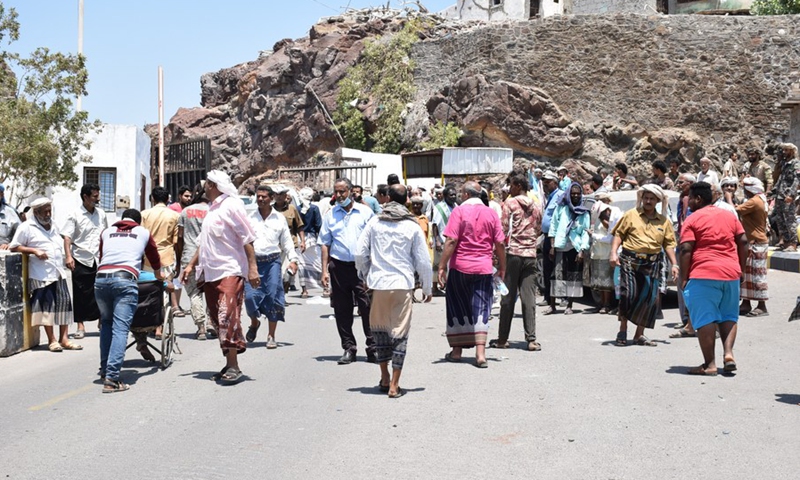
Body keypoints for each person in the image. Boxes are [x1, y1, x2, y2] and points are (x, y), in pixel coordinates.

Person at [181, 170, 259, 385]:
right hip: (210, 273)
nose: (203, 187)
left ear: (213, 186)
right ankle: (228, 361)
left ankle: (234, 365)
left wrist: (252, 268)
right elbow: (202, 243)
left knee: (227, 316)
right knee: (217, 319)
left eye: (206, 184)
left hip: (229, 270)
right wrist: (189, 266)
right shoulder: (212, 210)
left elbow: (248, 237)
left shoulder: (232, 205)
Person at [355, 184, 432, 398]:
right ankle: (394, 385)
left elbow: (360, 253)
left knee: (380, 330)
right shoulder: (412, 226)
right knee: (400, 333)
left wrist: (364, 275)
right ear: (407, 199)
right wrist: (427, 287)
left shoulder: (375, 222)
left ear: (387, 199)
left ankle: (384, 376)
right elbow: (423, 261)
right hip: (402, 284)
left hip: (379, 284)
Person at [680, 182, 747, 375]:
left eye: (690, 198)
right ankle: (728, 353)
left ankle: (709, 365)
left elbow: (686, 249)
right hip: (731, 274)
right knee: (729, 315)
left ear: (698, 199)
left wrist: (684, 278)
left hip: (703, 273)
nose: (689, 202)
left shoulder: (692, 219)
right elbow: (743, 242)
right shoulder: (729, 215)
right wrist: (740, 270)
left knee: (705, 318)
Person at [438, 181, 506, 368]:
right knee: (482, 309)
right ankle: (481, 354)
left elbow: (451, 240)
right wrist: (502, 267)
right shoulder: (491, 213)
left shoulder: (458, 212)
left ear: (466, 195)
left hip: (460, 267)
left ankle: (457, 351)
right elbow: (500, 243)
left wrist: (442, 266)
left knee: (457, 307)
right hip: (483, 268)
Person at [95, 208, 163, 392]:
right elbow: (154, 258)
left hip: (101, 279)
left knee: (107, 324)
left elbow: (103, 257)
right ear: (138, 222)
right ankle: (112, 379)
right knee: (120, 329)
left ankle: (104, 370)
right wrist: (159, 274)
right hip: (124, 280)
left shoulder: (107, 232)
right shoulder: (143, 232)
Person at [610, 185, 678, 346]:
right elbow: (619, 234)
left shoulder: (664, 221)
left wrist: (675, 264)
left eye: (652, 198)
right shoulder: (631, 215)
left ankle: (639, 334)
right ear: (642, 198)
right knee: (628, 295)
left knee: (649, 298)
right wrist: (613, 253)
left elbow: (668, 244)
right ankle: (623, 329)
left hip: (653, 262)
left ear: (657, 201)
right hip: (629, 260)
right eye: (646, 197)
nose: (648, 201)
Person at [10, 198, 81, 353]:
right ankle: (52, 340)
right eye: (45, 211)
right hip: (41, 273)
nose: (49, 214)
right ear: (37, 212)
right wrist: (34, 251)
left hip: (58, 270)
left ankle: (64, 339)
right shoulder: (27, 227)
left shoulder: (53, 224)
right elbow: (14, 246)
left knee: (64, 304)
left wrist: (68, 256)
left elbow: (60, 241)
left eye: (50, 210)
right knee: (46, 306)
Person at [319, 177, 376, 365]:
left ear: (351, 191)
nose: (339, 195)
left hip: (362, 268)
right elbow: (325, 244)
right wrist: (324, 271)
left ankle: (373, 347)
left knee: (367, 307)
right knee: (342, 310)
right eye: (337, 192)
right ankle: (348, 348)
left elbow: (375, 241)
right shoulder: (330, 215)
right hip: (339, 266)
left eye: (343, 191)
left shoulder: (366, 213)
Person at [244, 184, 299, 350]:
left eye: (264, 197)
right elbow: (243, 241)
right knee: (250, 298)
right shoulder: (249, 218)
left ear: (271, 198)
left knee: (273, 295)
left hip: (273, 262)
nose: (260, 199)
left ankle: (271, 335)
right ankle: (254, 323)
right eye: (258, 196)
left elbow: (287, 242)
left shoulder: (279, 219)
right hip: (253, 263)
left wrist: (293, 259)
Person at [493, 174, 542, 351]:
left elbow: (503, 229)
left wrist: (496, 253)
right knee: (529, 297)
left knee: (508, 296)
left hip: (513, 254)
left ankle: (502, 339)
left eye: (511, 185)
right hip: (531, 254)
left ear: (518, 185)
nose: (509, 188)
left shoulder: (510, 204)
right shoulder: (536, 205)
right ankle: (531, 339)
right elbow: (538, 228)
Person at [62, 183, 108, 339]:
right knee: (81, 292)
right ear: (85, 197)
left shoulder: (101, 214)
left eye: (98, 195)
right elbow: (67, 237)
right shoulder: (74, 215)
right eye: (95, 196)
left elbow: (105, 234)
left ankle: (102, 322)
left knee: (101, 292)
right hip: (81, 258)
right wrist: (68, 256)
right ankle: (80, 326)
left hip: (99, 259)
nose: (98, 199)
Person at [547, 181, 590, 315]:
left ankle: (569, 305)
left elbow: (585, 232)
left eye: (578, 194)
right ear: (568, 195)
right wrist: (552, 245)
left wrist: (582, 250)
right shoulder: (561, 208)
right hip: (560, 246)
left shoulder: (584, 212)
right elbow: (553, 226)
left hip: (574, 247)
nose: (575, 196)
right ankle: (553, 305)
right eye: (573, 194)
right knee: (556, 275)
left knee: (573, 275)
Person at [141, 186, 181, 328]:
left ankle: (152, 323)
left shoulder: (144, 214)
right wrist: (179, 263)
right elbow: (177, 241)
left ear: (152, 198)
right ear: (167, 199)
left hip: (148, 258)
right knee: (165, 291)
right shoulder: (175, 216)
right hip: (167, 257)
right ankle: (161, 326)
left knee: (151, 289)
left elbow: (141, 238)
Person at [177, 182, 212, 340]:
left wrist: (179, 261)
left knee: (194, 293)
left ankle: (201, 328)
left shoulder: (185, 212)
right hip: (210, 258)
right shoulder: (213, 212)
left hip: (189, 256)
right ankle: (212, 323)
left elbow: (179, 238)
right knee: (212, 292)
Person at [736, 177, 770, 317]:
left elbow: (735, 210)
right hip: (752, 241)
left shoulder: (755, 201)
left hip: (756, 242)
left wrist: (728, 197)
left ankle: (762, 306)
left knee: (757, 275)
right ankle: (746, 303)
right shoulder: (759, 199)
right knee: (748, 274)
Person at [589, 196, 621, 314]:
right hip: (597, 253)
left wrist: (593, 235)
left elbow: (610, 238)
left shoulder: (612, 218)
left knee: (608, 282)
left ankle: (607, 304)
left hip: (606, 254)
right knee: (599, 282)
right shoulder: (599, 219)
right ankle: (601, 303)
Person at [271, 185, 305, 293]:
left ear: (285, 195)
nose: (279, 197)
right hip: (275, 246)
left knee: (287, 273)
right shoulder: (270, 209)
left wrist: (303, 241)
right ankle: (277, 295)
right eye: (276, 194)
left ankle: (282, 294)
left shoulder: (292, 209)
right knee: (276, 272)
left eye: (281, 194)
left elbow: (299, 226)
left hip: (290, 244)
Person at [539, 171, 564, 308]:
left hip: (556, 237)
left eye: (548, 182)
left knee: (558, 268)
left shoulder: (560, 195)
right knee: (547, 268)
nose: (545, 185)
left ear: (555, 182)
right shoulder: (550, 197)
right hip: (547, 236)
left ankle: (562, 297)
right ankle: (548, 297)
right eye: (544, 182)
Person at [770, 143, 800, 251]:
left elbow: (797, 180)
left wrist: (791, 195)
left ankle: (793, 243)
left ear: (792, 151)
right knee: (780, 219)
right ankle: (785, 242)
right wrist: (773, 192)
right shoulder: (783, 163)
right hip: (780, 195)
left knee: (789, 219)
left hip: (788, 195)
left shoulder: (795, 164)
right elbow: (780, 179)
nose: (784, 152)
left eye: (786, 150)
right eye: (783, 150)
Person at [431, 185, 457, 296]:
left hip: (453, 240)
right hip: (441, 240)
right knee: (438, 264)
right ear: (445, 196)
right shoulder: (439, 207)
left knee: (450, 265)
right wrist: (436, 240)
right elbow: (435, 224)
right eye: (451, 195)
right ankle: (435, 288)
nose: (454, 197)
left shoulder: (456, 206)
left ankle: (449, 286)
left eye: (455, 194)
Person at [298, 187, 322, 298]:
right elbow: (318, 225)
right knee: (317, 263)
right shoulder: (314, 208)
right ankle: (325, 287)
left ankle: (304, 290)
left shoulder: (297, 209)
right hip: (312, 239)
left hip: (300, 238)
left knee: (302, 265)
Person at [0, 183, 20, 250]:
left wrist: (10, 244)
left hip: (4, 254)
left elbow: (21, 235)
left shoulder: (10, 212)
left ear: (2, 195)